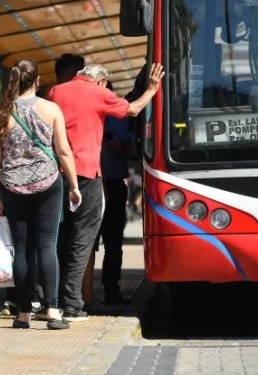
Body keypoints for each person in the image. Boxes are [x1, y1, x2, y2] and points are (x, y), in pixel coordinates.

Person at [47, 62, 163, 322]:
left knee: (59, 240)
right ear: (100, 81)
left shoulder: (56, 92)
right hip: (86, 175)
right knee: (83, 240)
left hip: (57, 175)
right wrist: (152, 90)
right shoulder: (99, 93)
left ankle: (50, 301)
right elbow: (132, 109)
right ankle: (72, 304)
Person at [0, 59, 82, 330]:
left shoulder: (1, 112)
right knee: (47, 245)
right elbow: (63, 151)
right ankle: (52, 310)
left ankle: (23, 314)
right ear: (38, 81)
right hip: (48, 183)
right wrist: (74, 185)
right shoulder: (50, 109)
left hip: (12, 186)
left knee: (22, 250)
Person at [97, 81, 135, 306]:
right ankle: (77, 293)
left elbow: (135, 153)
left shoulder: (121, 118)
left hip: (114, 183)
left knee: (113, 242)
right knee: (83, 242)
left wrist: (121, 147)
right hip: (89, 183)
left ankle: (112, 290)